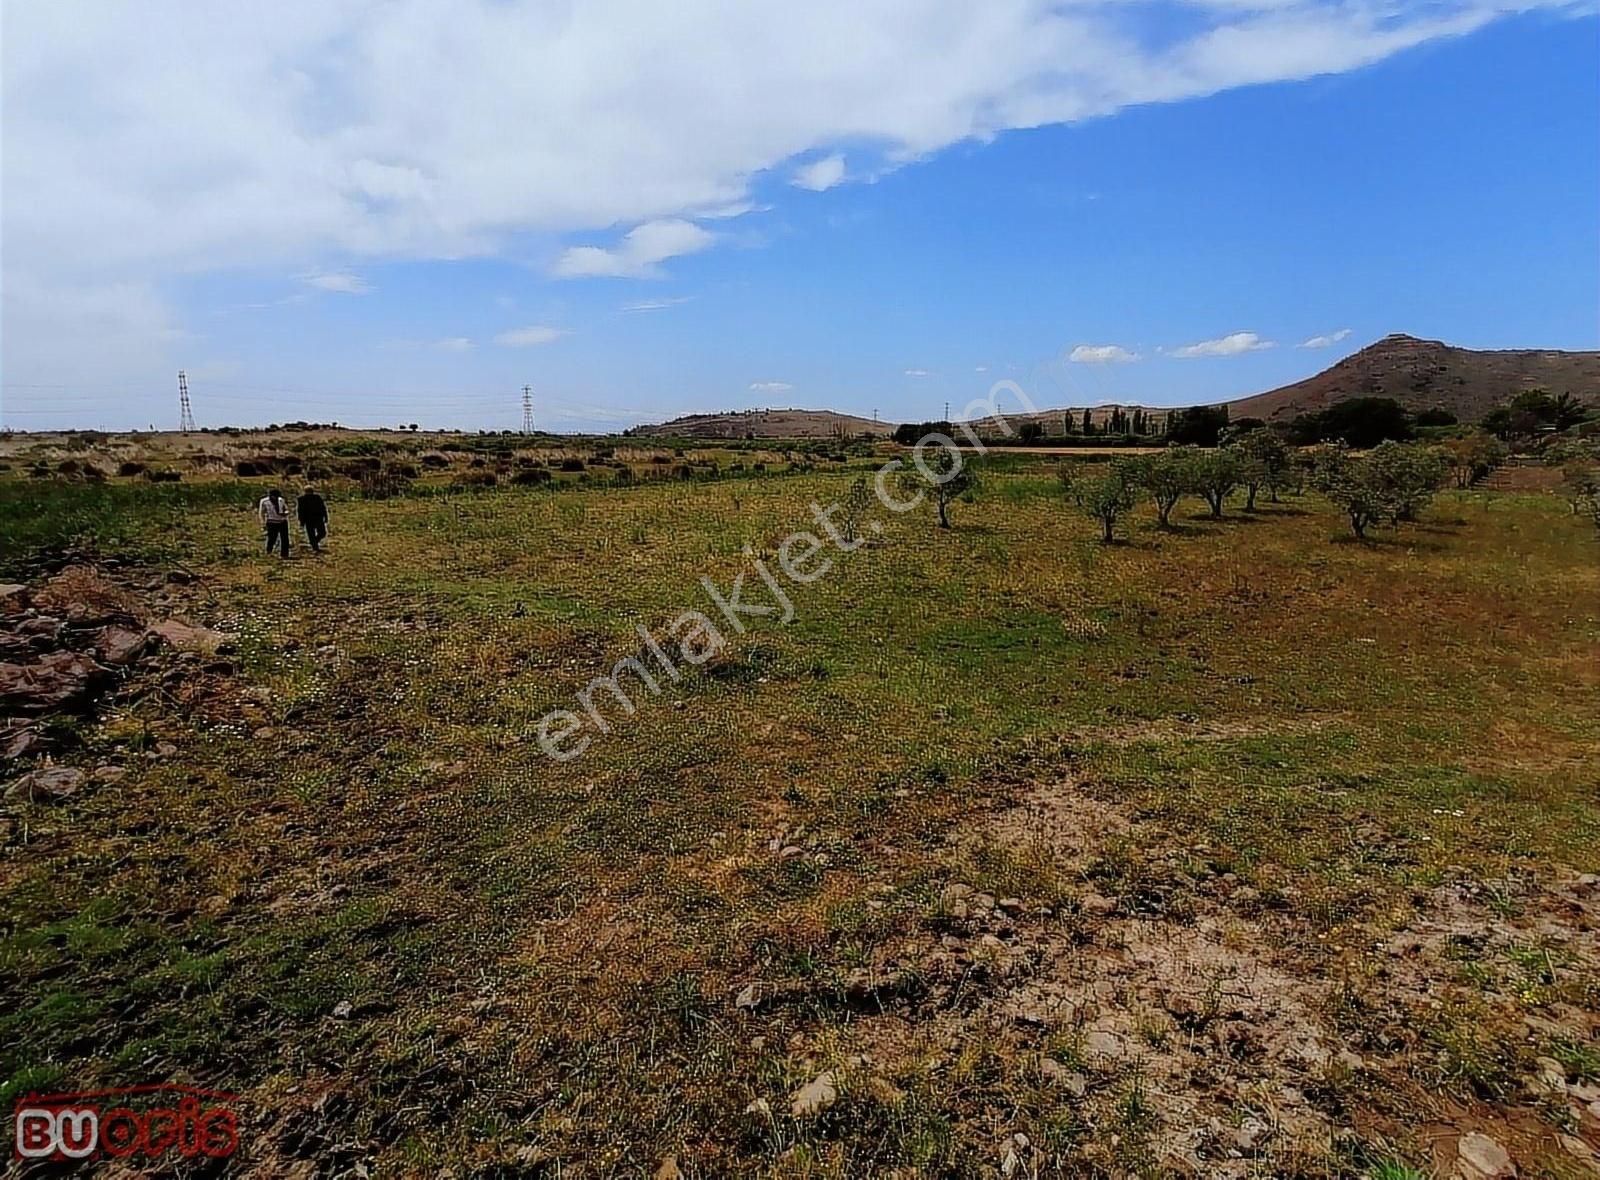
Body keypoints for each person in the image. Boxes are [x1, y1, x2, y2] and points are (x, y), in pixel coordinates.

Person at [258, 487, 291, 557]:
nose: (275, 498)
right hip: (271, 522)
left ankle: (284, 554)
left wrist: (285, 513)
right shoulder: (264, 501)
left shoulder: (281, 500)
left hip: (282, 521)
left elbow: (286, 508)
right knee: (272, 538)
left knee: (285, 538)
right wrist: (263, 523)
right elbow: (261, 513)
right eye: (274, 496)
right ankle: (269, 550)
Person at [297, 485, 329, 553]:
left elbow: (323, 507)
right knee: (311, 534)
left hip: (318, 518)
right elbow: (300, 511)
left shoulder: (317, 497)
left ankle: (314, 542)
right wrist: (301, 521)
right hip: (308, 519)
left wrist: (325, 517)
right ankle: (315, 547)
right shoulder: (301, 499)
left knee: (322, 533)